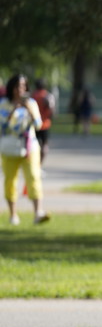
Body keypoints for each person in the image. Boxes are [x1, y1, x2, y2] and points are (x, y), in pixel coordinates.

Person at [1, 74, 50, 225]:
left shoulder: (31, 103)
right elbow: (3, 126)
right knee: (10, 181)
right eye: (17, 86)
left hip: (29, 146)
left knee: (34, 177)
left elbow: (38, 124)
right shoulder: (4, 104)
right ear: (12, 88)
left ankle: (38, 212)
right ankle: (13, 215)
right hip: (9, 148)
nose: (20, 89)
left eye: (23, 86)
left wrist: (28, 109)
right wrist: (13, 111)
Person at [30, 79, 54, 165]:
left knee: (34, 144)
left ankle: (35, 162)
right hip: (45, 124)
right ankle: (40, 164)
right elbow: (51, 110)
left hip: (34, 123)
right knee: (44, 145)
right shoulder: (48, 96)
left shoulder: (32, 96)